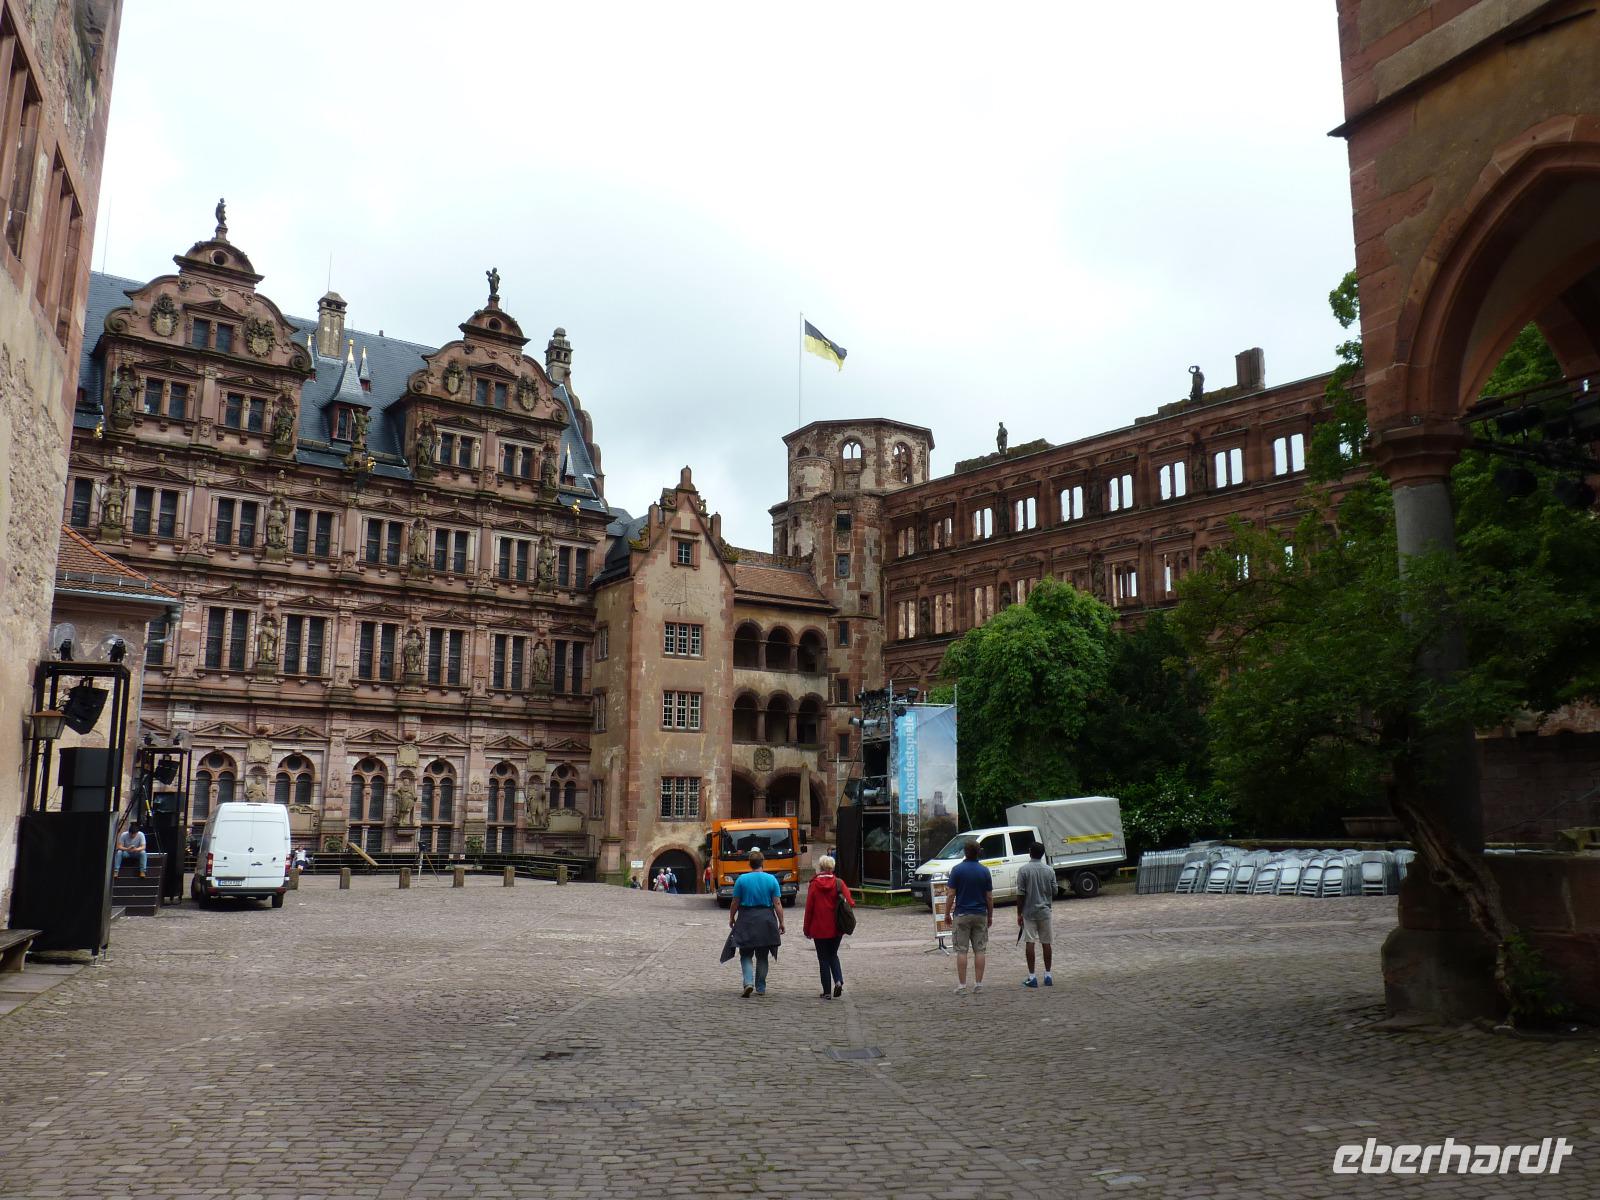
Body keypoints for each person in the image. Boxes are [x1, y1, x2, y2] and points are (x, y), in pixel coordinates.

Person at [722, 849, 784, 997]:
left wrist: (731, 917)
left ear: (749, 864)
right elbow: (777, 903)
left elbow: (735, 902)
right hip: (766, 919)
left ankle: (748, 982)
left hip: (746, 918)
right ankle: (761, 987)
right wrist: (781, 922)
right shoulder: (772, 880)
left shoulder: (742, 880)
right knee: (762, 955)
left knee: (745, 953)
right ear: (762, 863)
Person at [942, 838, 993, 994]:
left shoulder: (957, 870)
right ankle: (978, 984)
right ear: (978, 852)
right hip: (980, 914)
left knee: (962, 950)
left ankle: (962, 985)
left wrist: (947, 913)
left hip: (962, 914)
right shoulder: (984, 871)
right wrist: (990, 915)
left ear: (965, 852)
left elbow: (951, 894)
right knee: (980, 950)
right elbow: (989, 897)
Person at [802, 855, 854, 999]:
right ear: (832, 868)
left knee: (823, 959)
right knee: (833, 955)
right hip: (837, 927)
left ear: (820, 867)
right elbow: (851, 902)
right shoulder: (839, 883)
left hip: (818, 928)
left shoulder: (814, 885)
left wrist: (806, 929)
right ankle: (838, 980)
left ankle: (826, 992)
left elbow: (809, 909)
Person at [1015, 841, 1056, 988]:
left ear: (1030, 852)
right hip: (1045, 911)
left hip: (1029, 911)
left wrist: (1019, 913)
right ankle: (1048, 974)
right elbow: (1055, 890)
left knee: (1030, 942)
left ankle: (1032, 976)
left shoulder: (1023, 870)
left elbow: (1021, 893)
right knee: (1046, 943)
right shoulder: (1049, 870)